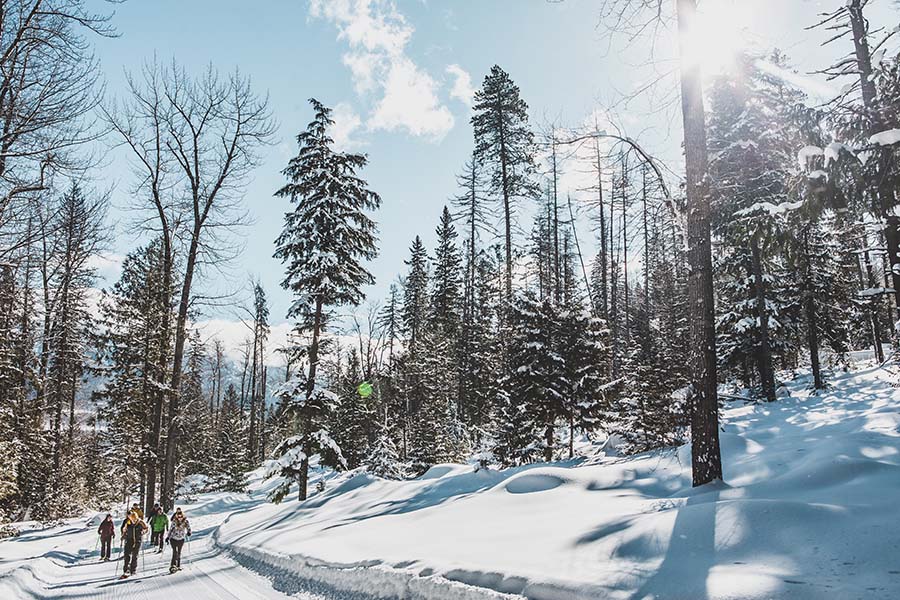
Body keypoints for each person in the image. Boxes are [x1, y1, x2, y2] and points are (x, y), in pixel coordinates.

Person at [120, 510, 148, 577]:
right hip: (129, 539)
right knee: (127, 554)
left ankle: (133, 569)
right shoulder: (128, 522)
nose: (133, 520)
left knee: (135, 555)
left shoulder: (140, 522)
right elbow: (124, 530)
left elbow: (146, 528)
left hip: (137, 540)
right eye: (132, 518)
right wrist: (123, 536)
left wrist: (143, 532)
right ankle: (126, 569)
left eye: (134, 519)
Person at [165, 507, 191, 573]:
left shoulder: (185, 521)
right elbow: (171, 530)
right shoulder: (174, 522)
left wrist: (189, 532)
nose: (180, 518)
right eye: (178, 517)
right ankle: (173, 565)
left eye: (181, 517)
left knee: (179, 552)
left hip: (181, 539)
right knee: (175, 552)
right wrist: (168, 537)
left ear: (183, 516)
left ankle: (178, 565)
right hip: (173, 538)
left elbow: (188, 528)